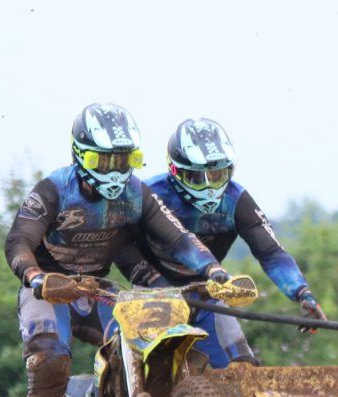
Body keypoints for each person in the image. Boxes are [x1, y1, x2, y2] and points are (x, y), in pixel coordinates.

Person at [5, 103, 232, 397]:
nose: (113, 170)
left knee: (157, 340)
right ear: (79, 154)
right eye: (102, 160)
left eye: (122, 160)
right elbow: (18, 240)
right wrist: (36, 278)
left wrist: (213, 270)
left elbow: (178, 237)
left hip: (99, 291)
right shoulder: (54, 190)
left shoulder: (136, 193)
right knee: (49, 359)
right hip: (50, 288)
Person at [118, 118, 325, 368]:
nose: (208, 187)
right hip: (153, 295)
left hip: (205, 294)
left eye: (217, 175)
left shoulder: (236, 200)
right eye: (197, 177)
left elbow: (271, 252)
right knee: (154, 371)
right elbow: (119, 243)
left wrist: (302, 293)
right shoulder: (148, 193)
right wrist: (150, 279)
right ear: (175, 170)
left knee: (243, 369)